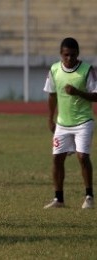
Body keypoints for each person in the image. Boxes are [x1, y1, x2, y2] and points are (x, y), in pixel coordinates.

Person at [43, 37, 96, 209]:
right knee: (57, 159)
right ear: (61, 54)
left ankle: (89, 197)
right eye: (66, 55)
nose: (69, 59)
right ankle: (59, 199)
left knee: (83, 157)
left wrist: (78, 92)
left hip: (83, 121)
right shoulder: (54, 70)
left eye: (73, 55)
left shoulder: (87, 70)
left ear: (78, 54)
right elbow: (52, 95)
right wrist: (51, 118)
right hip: (62, 123)